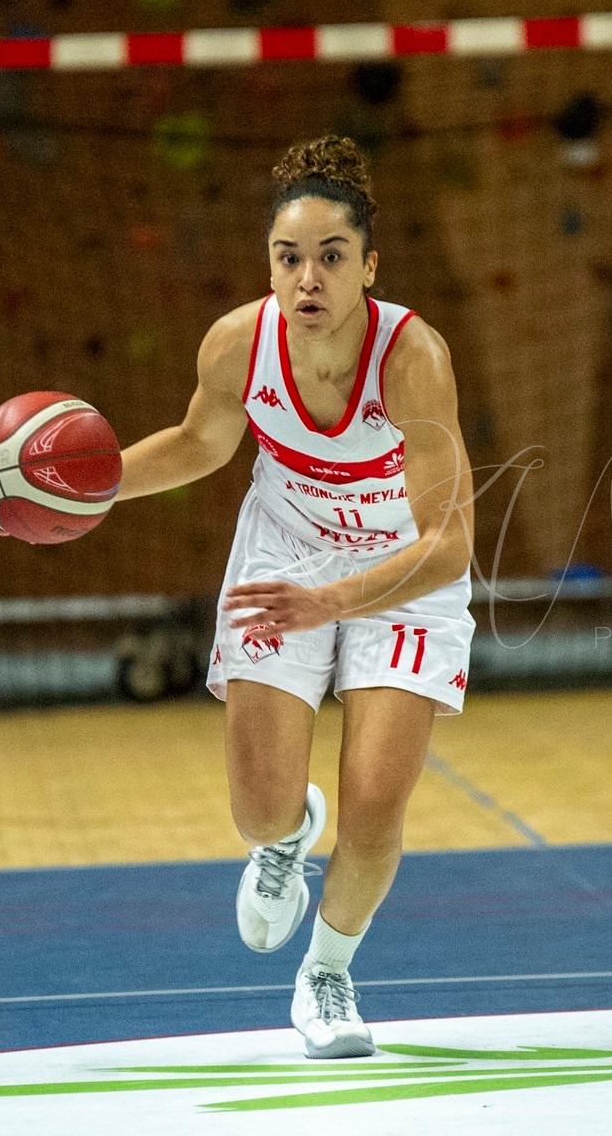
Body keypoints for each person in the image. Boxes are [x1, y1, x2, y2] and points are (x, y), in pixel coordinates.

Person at [113, 135, 476, 1055]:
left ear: (368, 267)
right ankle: (282, 842)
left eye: (329, 257)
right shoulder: (239, 344)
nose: (307, 279)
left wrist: (339, 602)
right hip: (288, 554)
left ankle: (328, 976)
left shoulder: (412, 358)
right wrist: (81, 488)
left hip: (400, 575)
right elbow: (200, 445)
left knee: (373, 810)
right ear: (268, 266)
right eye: (288, 258)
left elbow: (449, 544)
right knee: (260, 808)